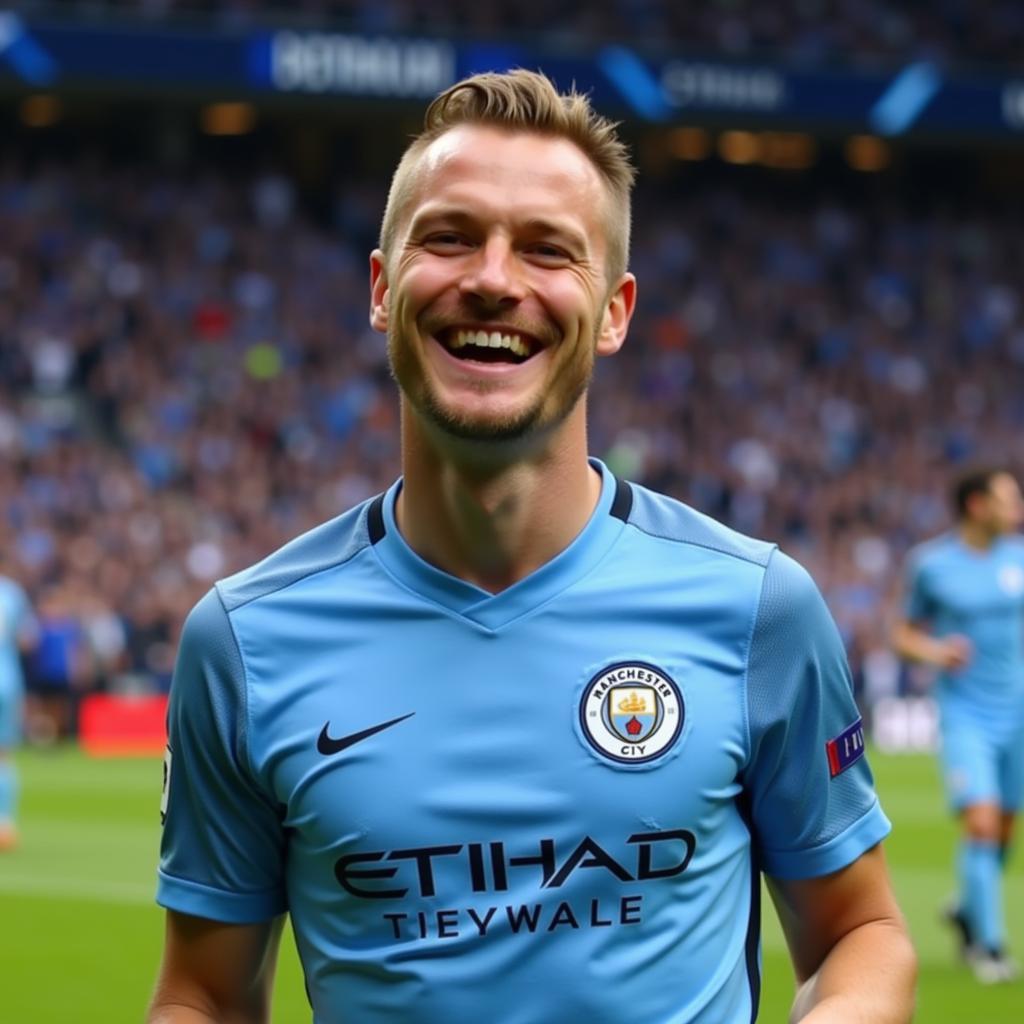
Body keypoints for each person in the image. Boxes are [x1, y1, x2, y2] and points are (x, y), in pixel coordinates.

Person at [148, 69, 916, 1023]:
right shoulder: (243, 642)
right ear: (384, 289)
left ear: (615, 312)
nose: (493, 279)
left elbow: (860, 934)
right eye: (450, 237)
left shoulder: (758, 608)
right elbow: (204, 996)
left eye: (548, 251)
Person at [893, 466, 1024, 983]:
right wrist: (935, 650)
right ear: (976, 505)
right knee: (982, 824)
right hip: (966, 712)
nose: (1017, 507)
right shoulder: (931, 565)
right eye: (1008, 498)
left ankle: (969, 905)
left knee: (1005, 829)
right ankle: (987, 947)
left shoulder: (1019, 555)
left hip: (1018, 710)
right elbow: (900, 633)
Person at [0, 563, 39, 851]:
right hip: (7, 681)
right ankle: (5, 824)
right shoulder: (12, 592)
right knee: (4, 755)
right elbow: (28, 640)